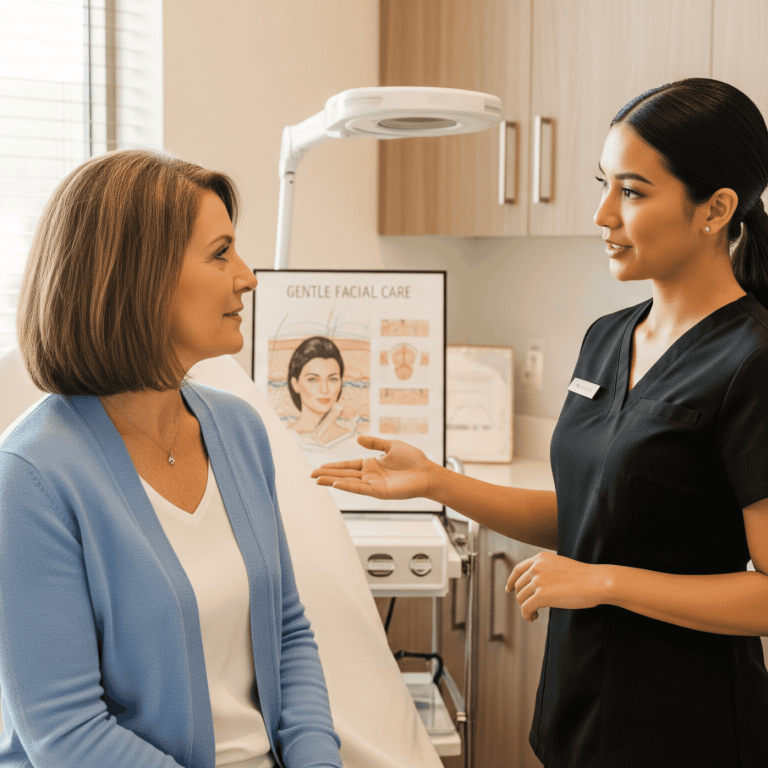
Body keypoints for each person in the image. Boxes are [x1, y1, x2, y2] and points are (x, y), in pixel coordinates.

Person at [313, 78, 768, 768]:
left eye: (634, 192)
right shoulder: (608, 338)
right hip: (575, 715)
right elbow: (595, 516)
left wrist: (602, 580)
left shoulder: (751, 361)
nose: (602, 214)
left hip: (686, 731)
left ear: (716, 208)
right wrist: (436, 483)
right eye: (603, 184)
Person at [0, 149, 342, 768]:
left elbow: (288, 633)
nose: (248, 277)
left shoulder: (239, 430)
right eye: (220, 253)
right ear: (140, 277)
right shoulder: (33, 478)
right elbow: (67, 735)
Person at [287, 337, 350, 446]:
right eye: (312, 379)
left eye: (333, 379)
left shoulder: (352, 440)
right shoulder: (282, 439)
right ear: (295, 384)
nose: (324, 390)